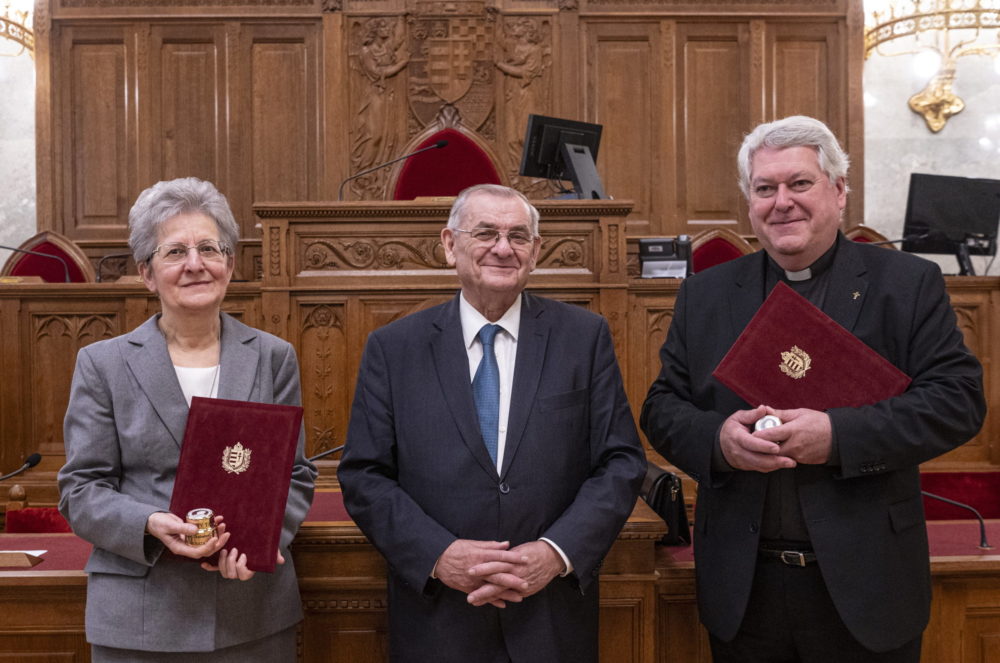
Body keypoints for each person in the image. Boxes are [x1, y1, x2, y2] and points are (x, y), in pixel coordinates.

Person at [640, 115, 986, 662]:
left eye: (800, 183)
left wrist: (837, 435)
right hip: (744, 590)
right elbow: (661, 408)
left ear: (838, 190)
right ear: (749, 202)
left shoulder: (906, 284)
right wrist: (719, 442)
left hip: (867, 586)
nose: (782, 202)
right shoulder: (704, 295)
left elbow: (958, 402)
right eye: (765, 188)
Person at [338, 183, 646, 662]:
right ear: (449, 245)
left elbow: (621, 461)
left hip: (550, 615)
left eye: (518, 236)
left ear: (536, 251)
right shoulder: (394, 348)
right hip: (439, 618)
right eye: (486, 233)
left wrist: (556, 552)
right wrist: (439, 556)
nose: (503, 248)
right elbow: (364, 476)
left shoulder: (583, 338)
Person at [58, 177, 317, 662]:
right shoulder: (104, 364)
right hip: (142, 616)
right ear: (147, 273)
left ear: (230, 264)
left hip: (250, 609)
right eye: (175, 252)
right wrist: (150, 522)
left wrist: (257, 542)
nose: (195, 264)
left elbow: (296, 474)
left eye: (209, 248)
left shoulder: (273, 357)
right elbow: (81, 490)